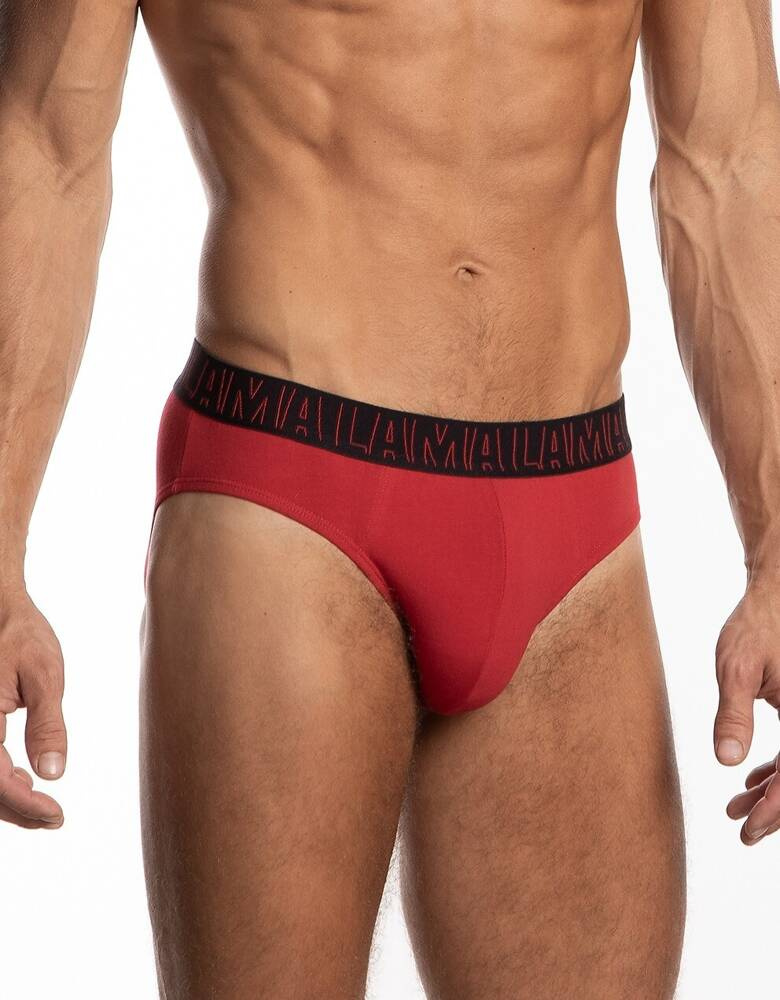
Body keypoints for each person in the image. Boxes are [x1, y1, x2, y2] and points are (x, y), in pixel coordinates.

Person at [1, 1, 778, 997]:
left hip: (576, 513)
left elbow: (729, 155)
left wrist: (777, 550)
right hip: (291, 482)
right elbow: (46, 146)